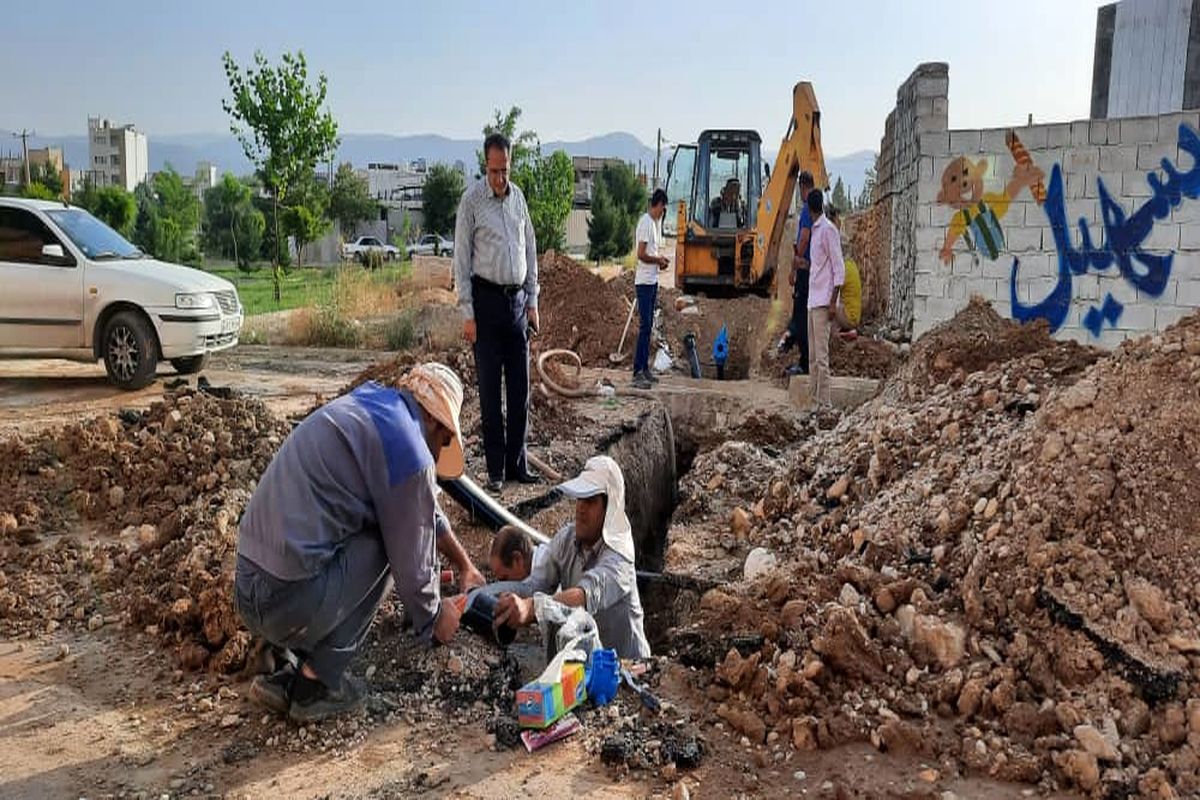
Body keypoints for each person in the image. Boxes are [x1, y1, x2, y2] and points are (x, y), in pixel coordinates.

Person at [234, 363, 483, 722]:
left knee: (369, 526)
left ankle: (284, 665)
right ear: (433, 420)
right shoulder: (410, 451)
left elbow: (421, 508)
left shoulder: (372, 406)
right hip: (283, 600)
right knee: (387, 540)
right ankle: (314, 685)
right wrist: (434, 617)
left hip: (248, 587)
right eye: (444, 440)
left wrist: (464, 564)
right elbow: (412, 558)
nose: (439, 450)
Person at [493, 456, 651, 659]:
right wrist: (498, 598)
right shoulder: (567, 540)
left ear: (609, 510)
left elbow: (584, 596)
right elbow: (536, 584)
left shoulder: (620, 558)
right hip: (584, 662)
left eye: (590, 501)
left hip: (626, 667)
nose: (581, 508)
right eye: (580, 499)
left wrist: (531, 607)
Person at [453, 132, 541, 494]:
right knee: (491, 393)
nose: (500, 178)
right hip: (486, 305)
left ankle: (517, 464)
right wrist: (468, 313)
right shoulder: (472, 202)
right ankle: (495, 471)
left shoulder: (518, 198)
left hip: (517, 304)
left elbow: (530, 248)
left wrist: (533, 302)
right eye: (494, 171)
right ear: (484, 166)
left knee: (520, 390)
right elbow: (461, 260)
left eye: (505, 170)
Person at [806, 190, 845, 407]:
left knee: (821, 358)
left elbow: (839, 269)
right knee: (813, 357)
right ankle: (814, 403)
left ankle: (825, 405)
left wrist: (832, 303)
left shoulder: (828, 230)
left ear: (808, 207)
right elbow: (820, 267)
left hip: (823, 302)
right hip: (813, 301)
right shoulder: (815, 231)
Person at [779, 171, 816, 375]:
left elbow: (803, 238)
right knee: (803, 316)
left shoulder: (807, 210)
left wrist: (794, 265)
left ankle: (804, 363)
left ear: (802, 186)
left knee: (801, 316)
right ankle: (795, 344)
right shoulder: (816, 210)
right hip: (813, 270)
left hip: (805, 269)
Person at [632, 189, 670, 389]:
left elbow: (650, 253)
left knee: (648, 329)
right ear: (658, 204)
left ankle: (644, 369)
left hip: (652, 281)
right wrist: (657, 260)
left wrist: (659, 261)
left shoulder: (654, 224)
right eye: (663, 208)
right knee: (645, 327)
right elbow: (641, 254)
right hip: (644, 283)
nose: (663, 212)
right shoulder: (646, 223)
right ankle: (637, 371)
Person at [826, 207, 861, 337]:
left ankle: (838, 335)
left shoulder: (842, 269)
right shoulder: (851, 265)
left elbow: (832, 290)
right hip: (854, 315)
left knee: (827, 308)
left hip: (849, 317)